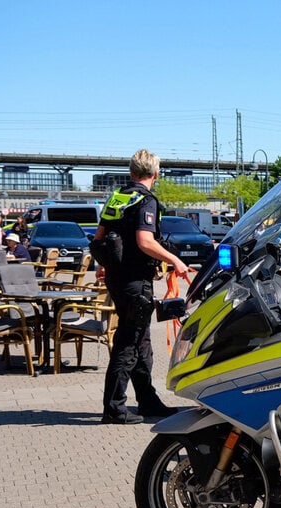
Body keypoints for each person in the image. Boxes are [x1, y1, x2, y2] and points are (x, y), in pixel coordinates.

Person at [94, 149, 189, 425]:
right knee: (128, 342)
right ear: (155, 174)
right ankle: (114, 408)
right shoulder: (146, 200)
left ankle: (148, 402)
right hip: (136, 281)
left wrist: (105, 265)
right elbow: (145, 241)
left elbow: (100, 237)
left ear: (131, 172)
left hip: (118, 279)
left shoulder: (118, 197)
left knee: (141, 342)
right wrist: (175, 260)